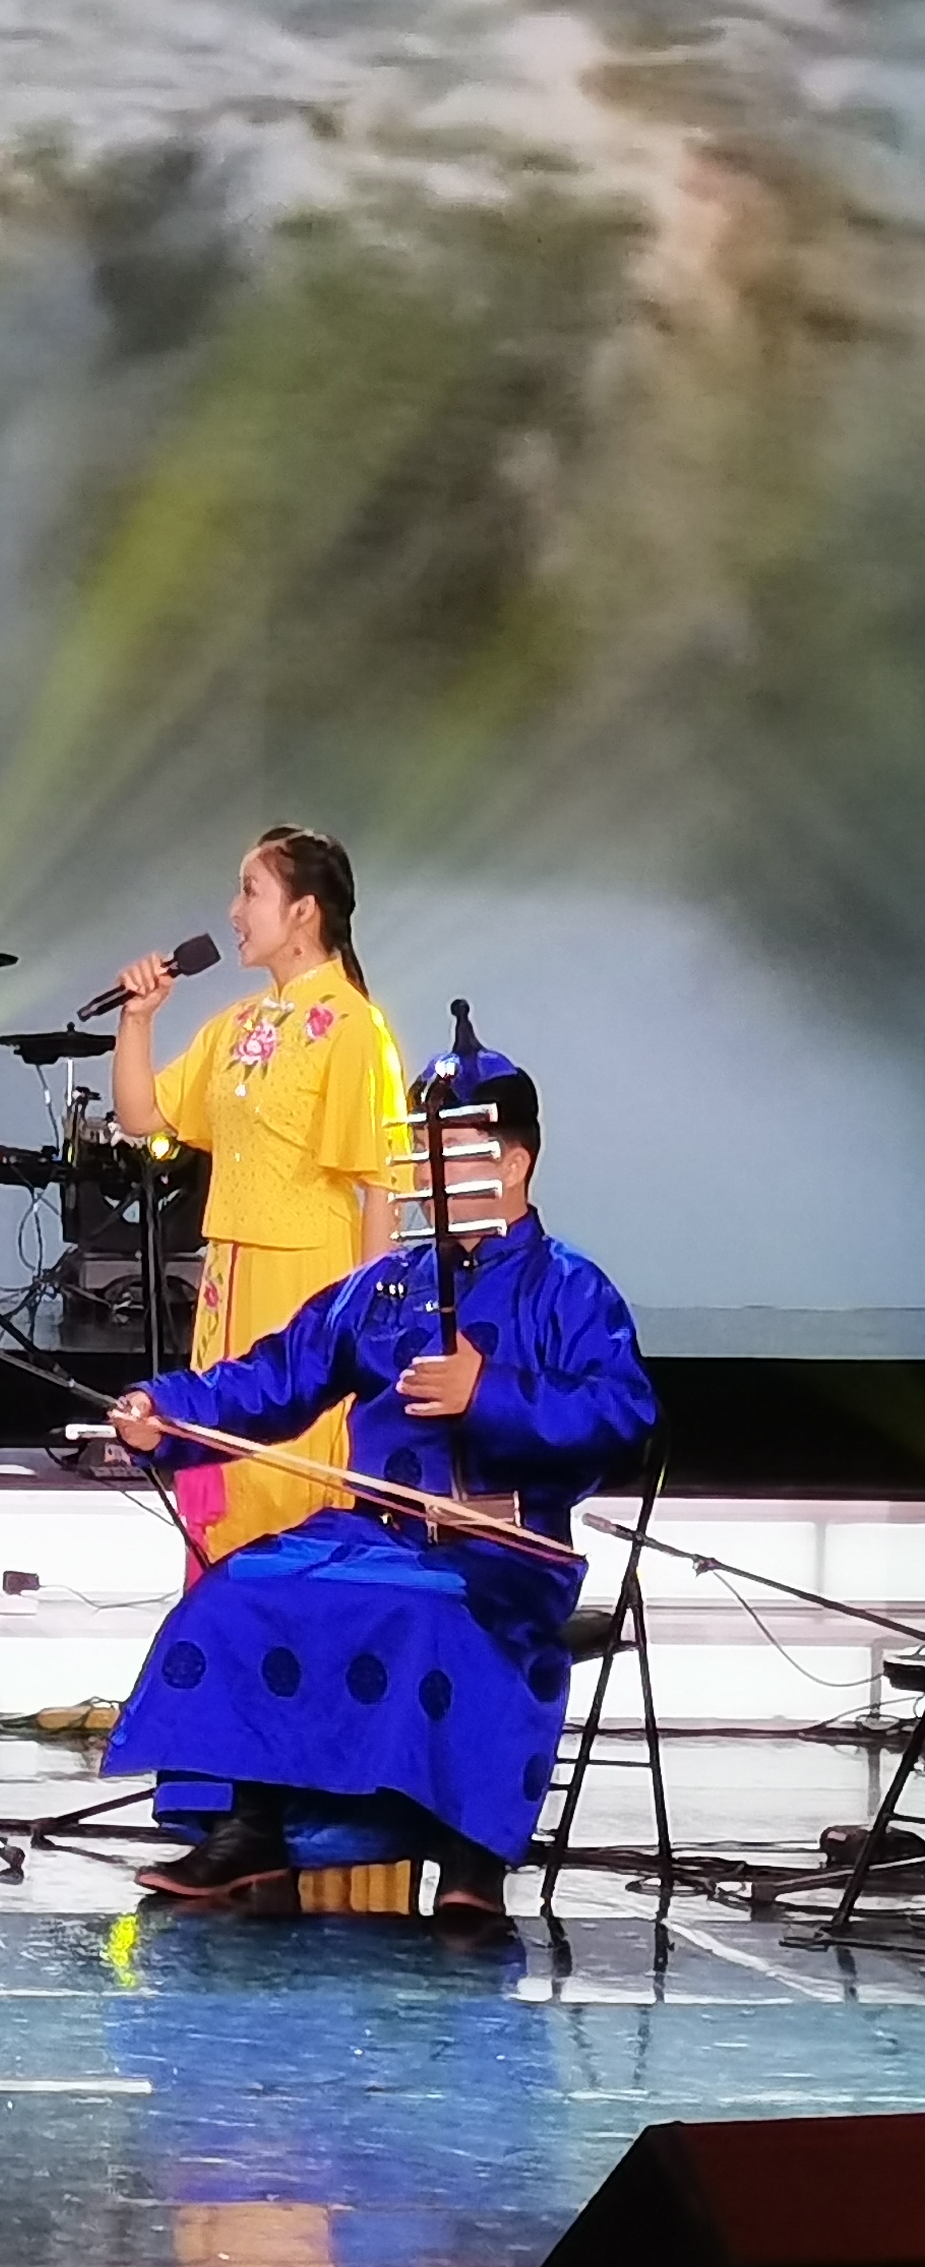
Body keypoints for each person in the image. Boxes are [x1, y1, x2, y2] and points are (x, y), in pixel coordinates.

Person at [101, 1025, 652, 1929]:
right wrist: (164, 1410)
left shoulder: (572, 1290)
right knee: (242, 1591)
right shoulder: (386, 1286)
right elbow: (275, 1377)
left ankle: (472, 1857)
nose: (430, 1174)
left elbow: (623, 1418)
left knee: (437, 1614)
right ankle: (251, 1827)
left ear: (513, 1163)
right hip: (371, 1535)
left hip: (500, 1549)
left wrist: (490, 1393)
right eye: (424, 1155)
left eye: (452, 1152)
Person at [108, 824, 409, 1563]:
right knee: (223, 1456)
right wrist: (137, 1018)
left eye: (250, 892)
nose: (234, 911)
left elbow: (382, 1186)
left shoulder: (353, 1027)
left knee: (292, 1468)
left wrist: (366, 1327)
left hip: (308, 1284)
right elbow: (142, 1114)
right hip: (228, 1280)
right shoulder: (237, 1024)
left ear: (303, 911)